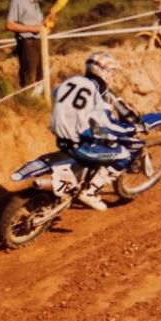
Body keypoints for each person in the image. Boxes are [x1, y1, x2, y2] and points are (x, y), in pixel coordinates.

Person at [50, 52, 142, 211]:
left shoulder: (76, 81)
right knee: (122, 152)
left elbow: (56, 93)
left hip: (60, 130)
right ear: (103, 71)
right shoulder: (100, 89)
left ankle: (81, 173)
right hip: (81, 136)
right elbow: (107, 121)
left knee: (101, 136)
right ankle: (89, 192)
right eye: (111, 71)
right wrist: (129, 129)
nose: (112, 75)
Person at [5, 0, 54, 89]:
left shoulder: (34, 0)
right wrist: (31, 29)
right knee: (29, 80)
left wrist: (50, 18)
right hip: (27, 43)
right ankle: (26, 100)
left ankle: (39, 101)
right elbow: (9, 25)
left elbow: (40, 26)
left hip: (40, 42)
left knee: (42, 78)